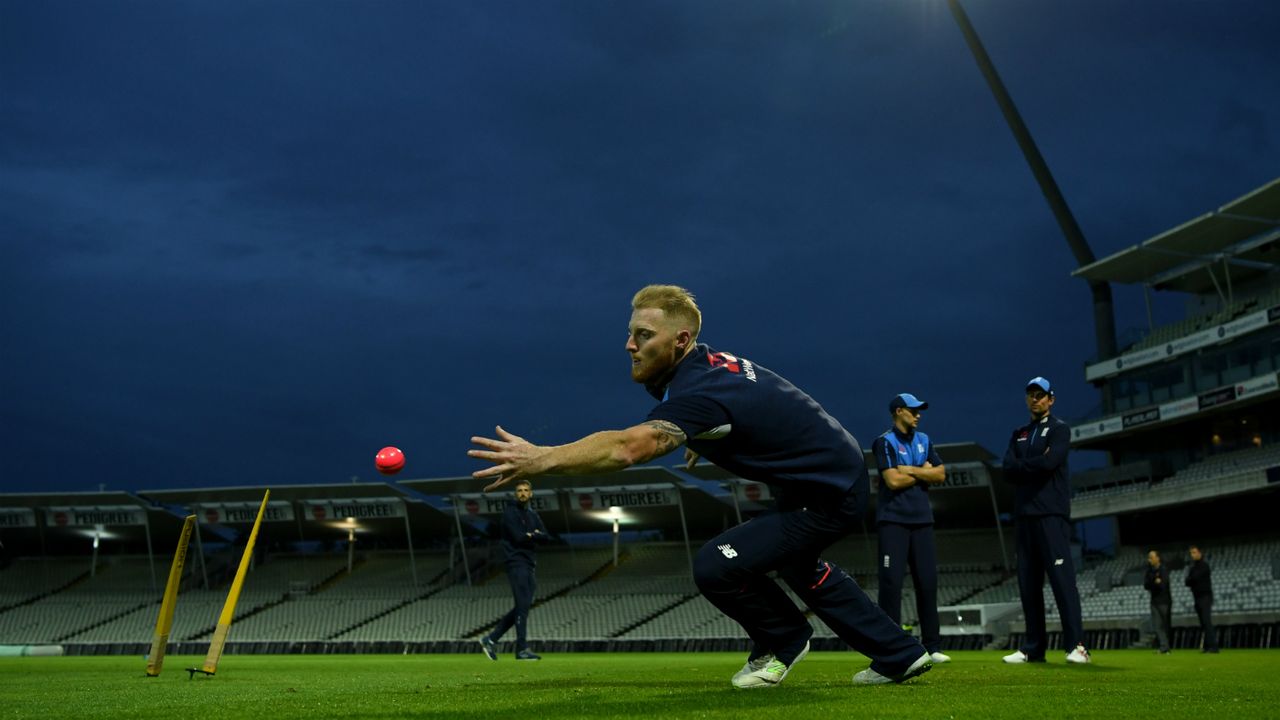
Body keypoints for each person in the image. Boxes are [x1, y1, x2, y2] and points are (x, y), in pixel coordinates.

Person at [469, 285, 931, 688]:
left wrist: (541, 459)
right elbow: (751, 409)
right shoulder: (705, 369)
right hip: (827, 477)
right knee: (800, 567)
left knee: (717, 565)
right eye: (630, 333)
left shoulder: (699, 393)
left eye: (643, 336)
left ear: (681, 340)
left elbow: (629, 448)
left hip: (827, 492)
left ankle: (784, 641)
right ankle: (900, 653)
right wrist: (705, 437)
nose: (629, 345)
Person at [1000, 376, 1090, 665]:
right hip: (1024, 516)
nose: (1036, 399)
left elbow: (1051, 463)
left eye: (1041, 395)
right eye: (1031, 395)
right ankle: (1033, 649)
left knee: (1063, 582)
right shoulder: (1020, 433)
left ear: (1051, 399)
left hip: (1051, 515)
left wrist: (1024, 467)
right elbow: (1007, 469)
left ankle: (1077, 646)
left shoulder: (1060, 430)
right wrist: (1034, 464)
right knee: (1028, 585)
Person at [870, 393, 950, 664]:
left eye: (919, 410)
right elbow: (892, 480)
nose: (918, 414)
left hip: (922, 521)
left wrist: (911, 470)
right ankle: (891, 647)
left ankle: (933, 646)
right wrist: (922, 470)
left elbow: (940, 474)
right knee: (891, 584)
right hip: (893, 520)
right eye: (913, 410)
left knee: (927, 583)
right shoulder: (884, 442)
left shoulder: (924, 440)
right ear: (898, 411)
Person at [477, 479, 549, 661]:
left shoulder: (533, 514)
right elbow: (518, 537)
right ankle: (521, 649)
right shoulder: (510, 513)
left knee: (522, 606)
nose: (523, 493)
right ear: (515, 494)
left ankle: (491, 639)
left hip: (529, 564)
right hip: (516, 563)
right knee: (522, 607)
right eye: (519, 490)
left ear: (531, 494)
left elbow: (546, 537)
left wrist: (531, 535)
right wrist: (534, 535)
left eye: (526, 490)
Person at [1185, 545, 1219, 653]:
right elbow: (1187, 581)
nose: (1192, 555)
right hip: (1197, 597)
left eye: (1194, 552)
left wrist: (1191, 579)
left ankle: (1213, 647)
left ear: (1200, 553)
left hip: (1205, 597)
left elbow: (1193, 578)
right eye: (1191, 553)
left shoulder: (1204, 566)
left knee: (1206, 622)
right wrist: (1191, 579)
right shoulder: (1193, 567)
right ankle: (1207, 646)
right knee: (1203, 623)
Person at [1144, 550, 1172, 653]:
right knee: (1157, 625)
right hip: (1154, 601)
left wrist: (1155, 583)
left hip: (1164, 601)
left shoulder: (1163, 569)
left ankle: (1166, 646)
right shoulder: (1149, 571)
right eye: (1149, 557)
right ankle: (1164, 646)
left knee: (1165, 625)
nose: (1149, 560)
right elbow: (1146, 585)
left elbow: (1163, 585)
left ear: (1158, 558)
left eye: (1151, 557)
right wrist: (1155, 582)